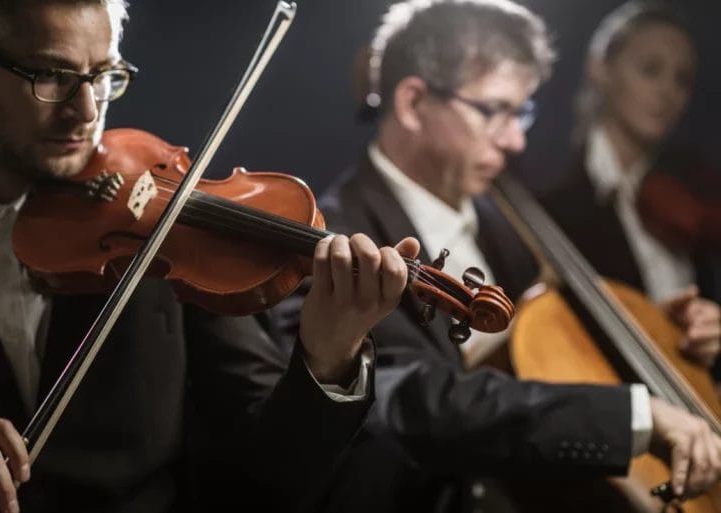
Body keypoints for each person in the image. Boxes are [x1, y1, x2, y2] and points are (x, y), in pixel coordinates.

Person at [0, 1, 419, 512]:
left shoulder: (166, 234)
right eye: (50, 76)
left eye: (104, 75)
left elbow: (266, 477)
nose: (86, 111)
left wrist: (330, 355)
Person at [270, 1, 721, 512]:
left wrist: (667, 337)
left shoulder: (512, 223)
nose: (516, 139)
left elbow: (565, 355)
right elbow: (403, 399)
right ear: (414, 103)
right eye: (495, 111)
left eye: (522, 111)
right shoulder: (332, 241)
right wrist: (636, 417)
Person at [539, 0, 721, 371]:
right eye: (650, 70)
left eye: (681, 79)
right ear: (600, 68)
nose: (667, 92)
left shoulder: (691, 201)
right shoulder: (548, 197)